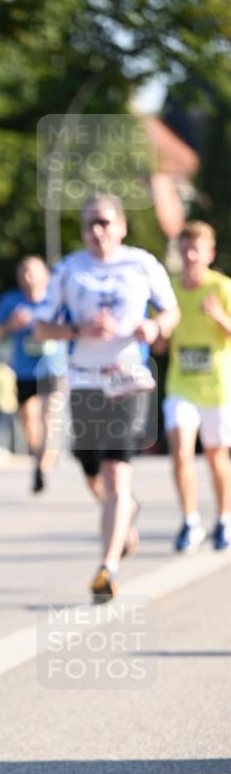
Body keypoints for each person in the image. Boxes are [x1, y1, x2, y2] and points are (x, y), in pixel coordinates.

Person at [33, 194, 180, 602]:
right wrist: (79, 329)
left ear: (122, 226)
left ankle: (107, 567)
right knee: (93, 475)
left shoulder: (142, 263)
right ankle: (124, 519)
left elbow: (171, 312)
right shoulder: (68, 270)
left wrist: (154, 328)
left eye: (104, 222)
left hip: (128, 379)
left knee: (117, 472)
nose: (97, 231)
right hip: (83, 382)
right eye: (89, 225)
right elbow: (42, 329)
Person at [164, 221, 231, 552]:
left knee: (217, 457)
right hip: (180, 385)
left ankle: (224, 518)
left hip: (217, 387)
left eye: (197, 250)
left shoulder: (221, 287)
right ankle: (190, 520)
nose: (190, 256)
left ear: (209, 253)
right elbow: (160, 343)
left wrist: (219, 316)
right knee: (180, 452)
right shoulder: (169, 290)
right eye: (185, 249)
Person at [0, 256, 66, 492]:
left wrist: (52, 329)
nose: (27, 277)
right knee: (29, 421)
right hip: (24, 370)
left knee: (49, 418)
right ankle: (38, 458)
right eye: (23, 272)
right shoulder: (11, 301)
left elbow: (75, 327)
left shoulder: (56, 300)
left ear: (45, 276)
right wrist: (11, 325)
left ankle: (43, 466)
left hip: (53, 368)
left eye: (32, 271)